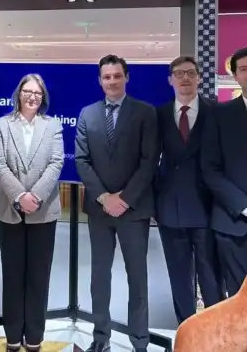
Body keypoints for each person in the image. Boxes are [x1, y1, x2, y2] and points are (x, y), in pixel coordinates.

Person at [75, 54, 159, 352]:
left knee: (137, 278)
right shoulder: (87, 114)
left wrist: (123, 199)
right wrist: (104, 197)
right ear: (100, 81)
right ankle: (101, 338)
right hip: (99, 210)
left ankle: (140, 341)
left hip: (133, 209)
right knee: (99, 277)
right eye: (106, 77)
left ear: (126, 78)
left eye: (117, 76)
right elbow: (82, 161)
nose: (112, 81)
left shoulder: (145, 112)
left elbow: (149, 161)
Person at [0, 74, 64, 352]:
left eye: (38, 92)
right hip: (9, 211)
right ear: (19, 93)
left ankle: (34, 337)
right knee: (12, 276)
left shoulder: (53, 125)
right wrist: (20, 196)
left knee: (38, 277)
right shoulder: (2, 125)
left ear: (42, 97)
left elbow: (56, 162)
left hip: (43, 212)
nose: (32, 96)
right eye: (28, 91)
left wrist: (35, 197)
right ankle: (12, 336)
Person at [155, 56, 224, 324]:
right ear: (170, 80)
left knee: (211, 276)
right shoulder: (159, 115)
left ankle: (215, 329)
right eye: (179, 73)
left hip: (209, 207)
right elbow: (149, 160)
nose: (185, 78)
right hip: (170, 208)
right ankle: (186, 328)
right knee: (179, 275)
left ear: (199, 78)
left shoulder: (217, 112)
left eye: (191, 73)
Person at [202, 46, 247, 296]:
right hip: (234, 221)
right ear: (235, 76)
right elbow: (210, 170)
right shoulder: (219, 114)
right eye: (243, 69)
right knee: (240, 297)